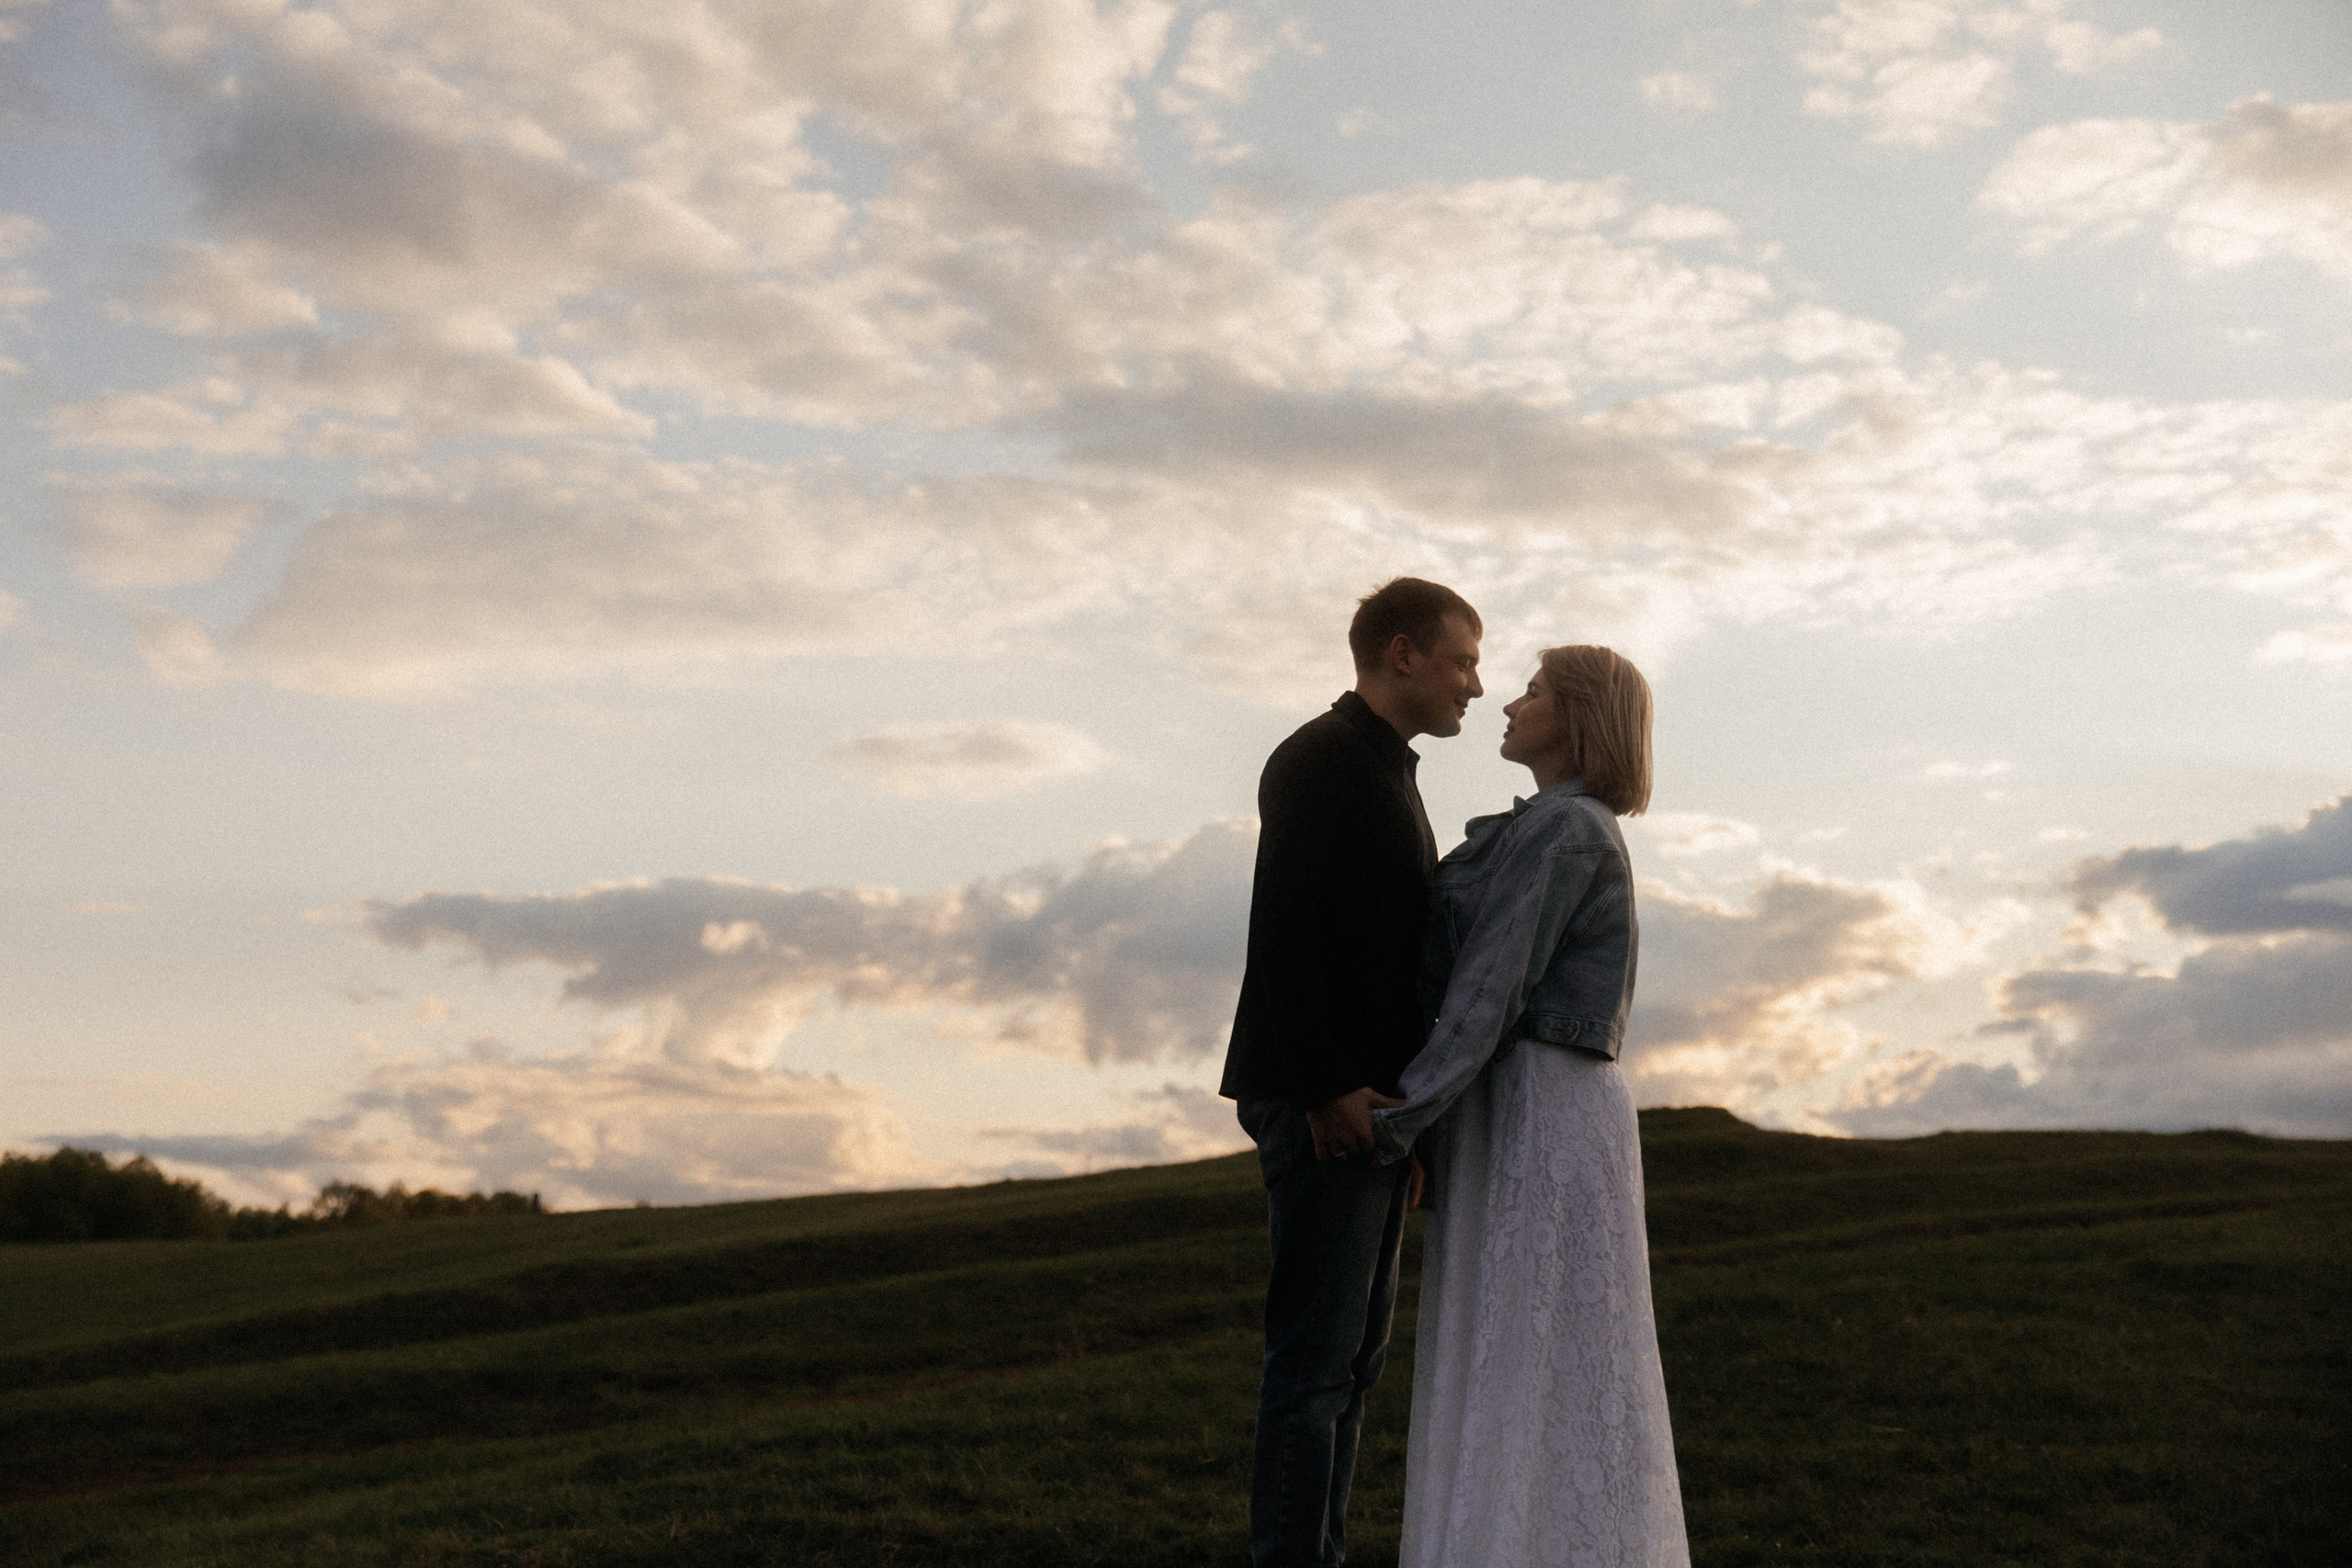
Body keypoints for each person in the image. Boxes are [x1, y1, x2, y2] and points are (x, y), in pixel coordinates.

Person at [1367, 644, 1690, 1568]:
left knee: (1536, 1342)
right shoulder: (1542, 828)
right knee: (1508, 1338)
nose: (1509, 703)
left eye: (1536, 690)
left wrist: (1401, 1117)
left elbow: (1490, 985)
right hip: (1511, 1098)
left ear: (1578, 715)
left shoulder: (1568, 832)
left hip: (1542, 1101)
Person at [1219, 577, 1485, 1568]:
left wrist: (1404, 1126)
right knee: (1312, 1371)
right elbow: (1282, 934)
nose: (1474, 684)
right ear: (1403, 653)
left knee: (1353, 1368)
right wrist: (1328, 1088)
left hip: (1371, 1117)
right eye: (1462, 661)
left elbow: (1378, 959)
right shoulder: (1323, 759)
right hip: (1323, 1106)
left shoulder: (1384, 769)